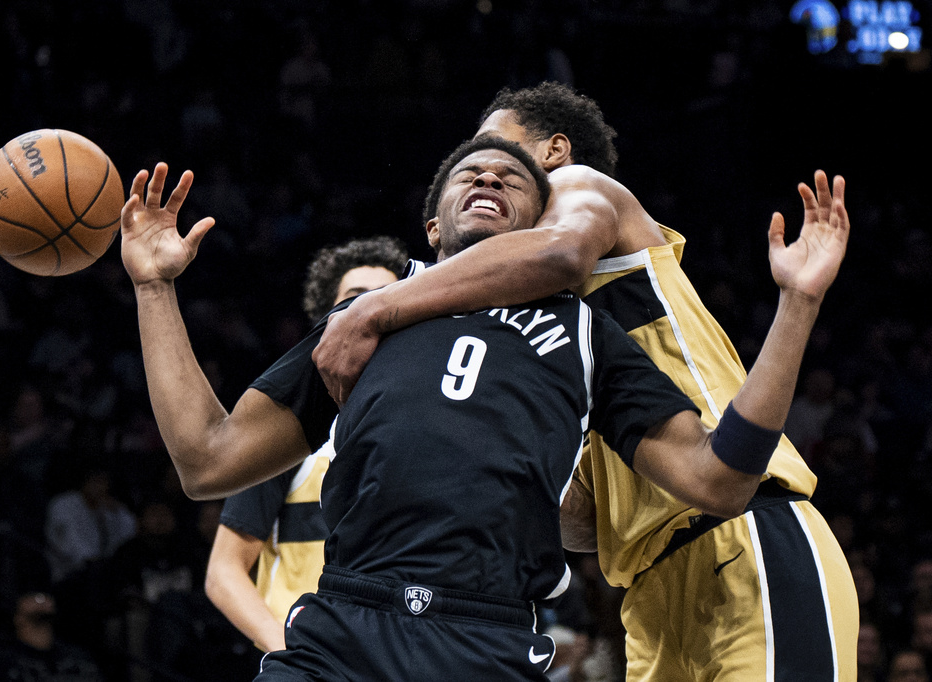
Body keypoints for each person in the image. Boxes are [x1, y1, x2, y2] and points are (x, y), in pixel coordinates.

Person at [118, 132, 847, 680]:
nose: (492, 172)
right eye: (470, 171)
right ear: (433, 230)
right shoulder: (362, 320)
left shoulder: (591, 336)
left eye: (513, 177)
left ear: (542, 226)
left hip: (486, 639)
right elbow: (206, 458)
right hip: (342, 625)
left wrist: (798, 308)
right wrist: (154, 288)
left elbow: (720, 481)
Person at [313, 81, 859, 679]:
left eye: (494, 145)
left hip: (746, 535)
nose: (483, 169)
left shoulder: (578, 190)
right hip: (650, 588)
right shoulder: (537, 338)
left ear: (552, 152)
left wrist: (373, 307)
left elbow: (561, 253)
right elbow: (578, 528)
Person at [204, 236, 406, 655]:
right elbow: (223, 571)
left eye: (385, 297)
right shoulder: (287, 435)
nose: (369, 308)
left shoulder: (423, 429)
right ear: (328, 318)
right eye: (354, 297)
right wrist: (289, 654)